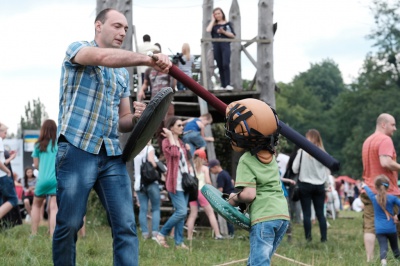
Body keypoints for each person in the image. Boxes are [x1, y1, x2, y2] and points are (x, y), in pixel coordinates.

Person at [53, 8, 172, 266]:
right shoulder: (77, 49)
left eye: (126, 29)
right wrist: (148, 59)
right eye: (117, 26)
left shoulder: (122, 75)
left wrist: (141, 117)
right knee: (70, 224)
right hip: (76, 148)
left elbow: (124, 121)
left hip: (110, 154)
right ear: (98, 26)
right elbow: (104, 56)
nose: (122, 32)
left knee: (126, 225)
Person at [225, 99, 289, 265]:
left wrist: (233, 199)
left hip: (265, 217)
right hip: (281, 215)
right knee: (259, 260)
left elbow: (249, 194)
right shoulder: (271, 156)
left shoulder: (246, 160)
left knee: (258, 263)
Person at [361, 113, 400, 262]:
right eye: (393, 124)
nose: (395, 128)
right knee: (396, 223)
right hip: (387, 192)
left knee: (370, 227)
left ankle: (369, 260)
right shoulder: (385, 140)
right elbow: (385, 162)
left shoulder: (367, 141)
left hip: (369, 190)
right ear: (383, 124)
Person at [155, 116, 190, 249]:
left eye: (182, 125)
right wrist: (170, 137)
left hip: (185, 182)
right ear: (171, 128)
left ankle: (178, 242)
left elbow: (184, 161)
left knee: (182, 213)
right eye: (179, 125)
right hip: (175, 182)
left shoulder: (181, 142)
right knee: (181, 212)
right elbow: (174, 155)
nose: (182, 127)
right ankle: (161, 234)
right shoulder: (166, 142)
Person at [292, 129, 330, 242]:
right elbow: (326, 173)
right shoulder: (323, 153)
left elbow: (294, 168)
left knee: (307, 214)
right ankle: (324, 239)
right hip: (319, 186)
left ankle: (308, 238)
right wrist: (327, 188)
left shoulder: (302, 152)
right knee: (320, 214)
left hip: (305, 185)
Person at [186, 149, 224, 240]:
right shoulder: (205, 169)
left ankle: (189, 236)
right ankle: (218, 234)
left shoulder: (190, 168)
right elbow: (207, 181)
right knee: (210, 213)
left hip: (193, 193)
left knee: (193, 214)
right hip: (202, 192)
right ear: (203, 158)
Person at [363, 175, 400, 266]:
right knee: (395, 248)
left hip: (379, 229)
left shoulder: (374, 198)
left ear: (376, 187)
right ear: (388, 186)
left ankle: (383, 262)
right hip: (391, 228)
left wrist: (364, 185)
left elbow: (368, 191)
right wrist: (398, 216)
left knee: (383, 247)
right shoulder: (392, 198)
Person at [31, 119, 58, 237]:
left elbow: (36, 165)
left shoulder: (38, 144)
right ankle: (53, 235)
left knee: (36, 205)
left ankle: (34, 233)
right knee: (54, 208)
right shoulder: (59, 144)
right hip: (56, 179)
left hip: (42, 179)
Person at [133, 141, 161, 241]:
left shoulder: (136, 150)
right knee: (156, 208)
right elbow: (151, 162)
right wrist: (158, 165)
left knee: (143, 209)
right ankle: (154, 233)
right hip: (151, 182)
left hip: (139, 184)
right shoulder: (150, 149)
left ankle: (145, 234)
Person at [206, 7, 235, 90]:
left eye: (219, 13)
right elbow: (208, 30)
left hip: (225, 45)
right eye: (216, 14)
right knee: (220, 65)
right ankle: (223, 85)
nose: (218, 15)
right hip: (216, 46)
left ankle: (228, 84)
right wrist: (212, 20)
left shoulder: (227, 24)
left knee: (226, 64)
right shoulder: (213, 25)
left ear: (222, 13)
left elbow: (233, 35)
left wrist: (223, 32)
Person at [208, 158, 235, 237]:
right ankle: (231, 233)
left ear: (215, 167)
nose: (211, 172)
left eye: (211, 169)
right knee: (230, 215)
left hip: (226, 197)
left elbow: (220, 190)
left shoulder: (220, 176)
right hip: (231, 195)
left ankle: (231, 234)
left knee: (228, 216)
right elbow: (232, 182)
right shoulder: (226, 173)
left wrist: (214, 196)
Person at [0, 123, 18, 220]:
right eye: (5, 133)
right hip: (2, 175)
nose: (5, 135)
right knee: (13, 199)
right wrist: (7, 171)